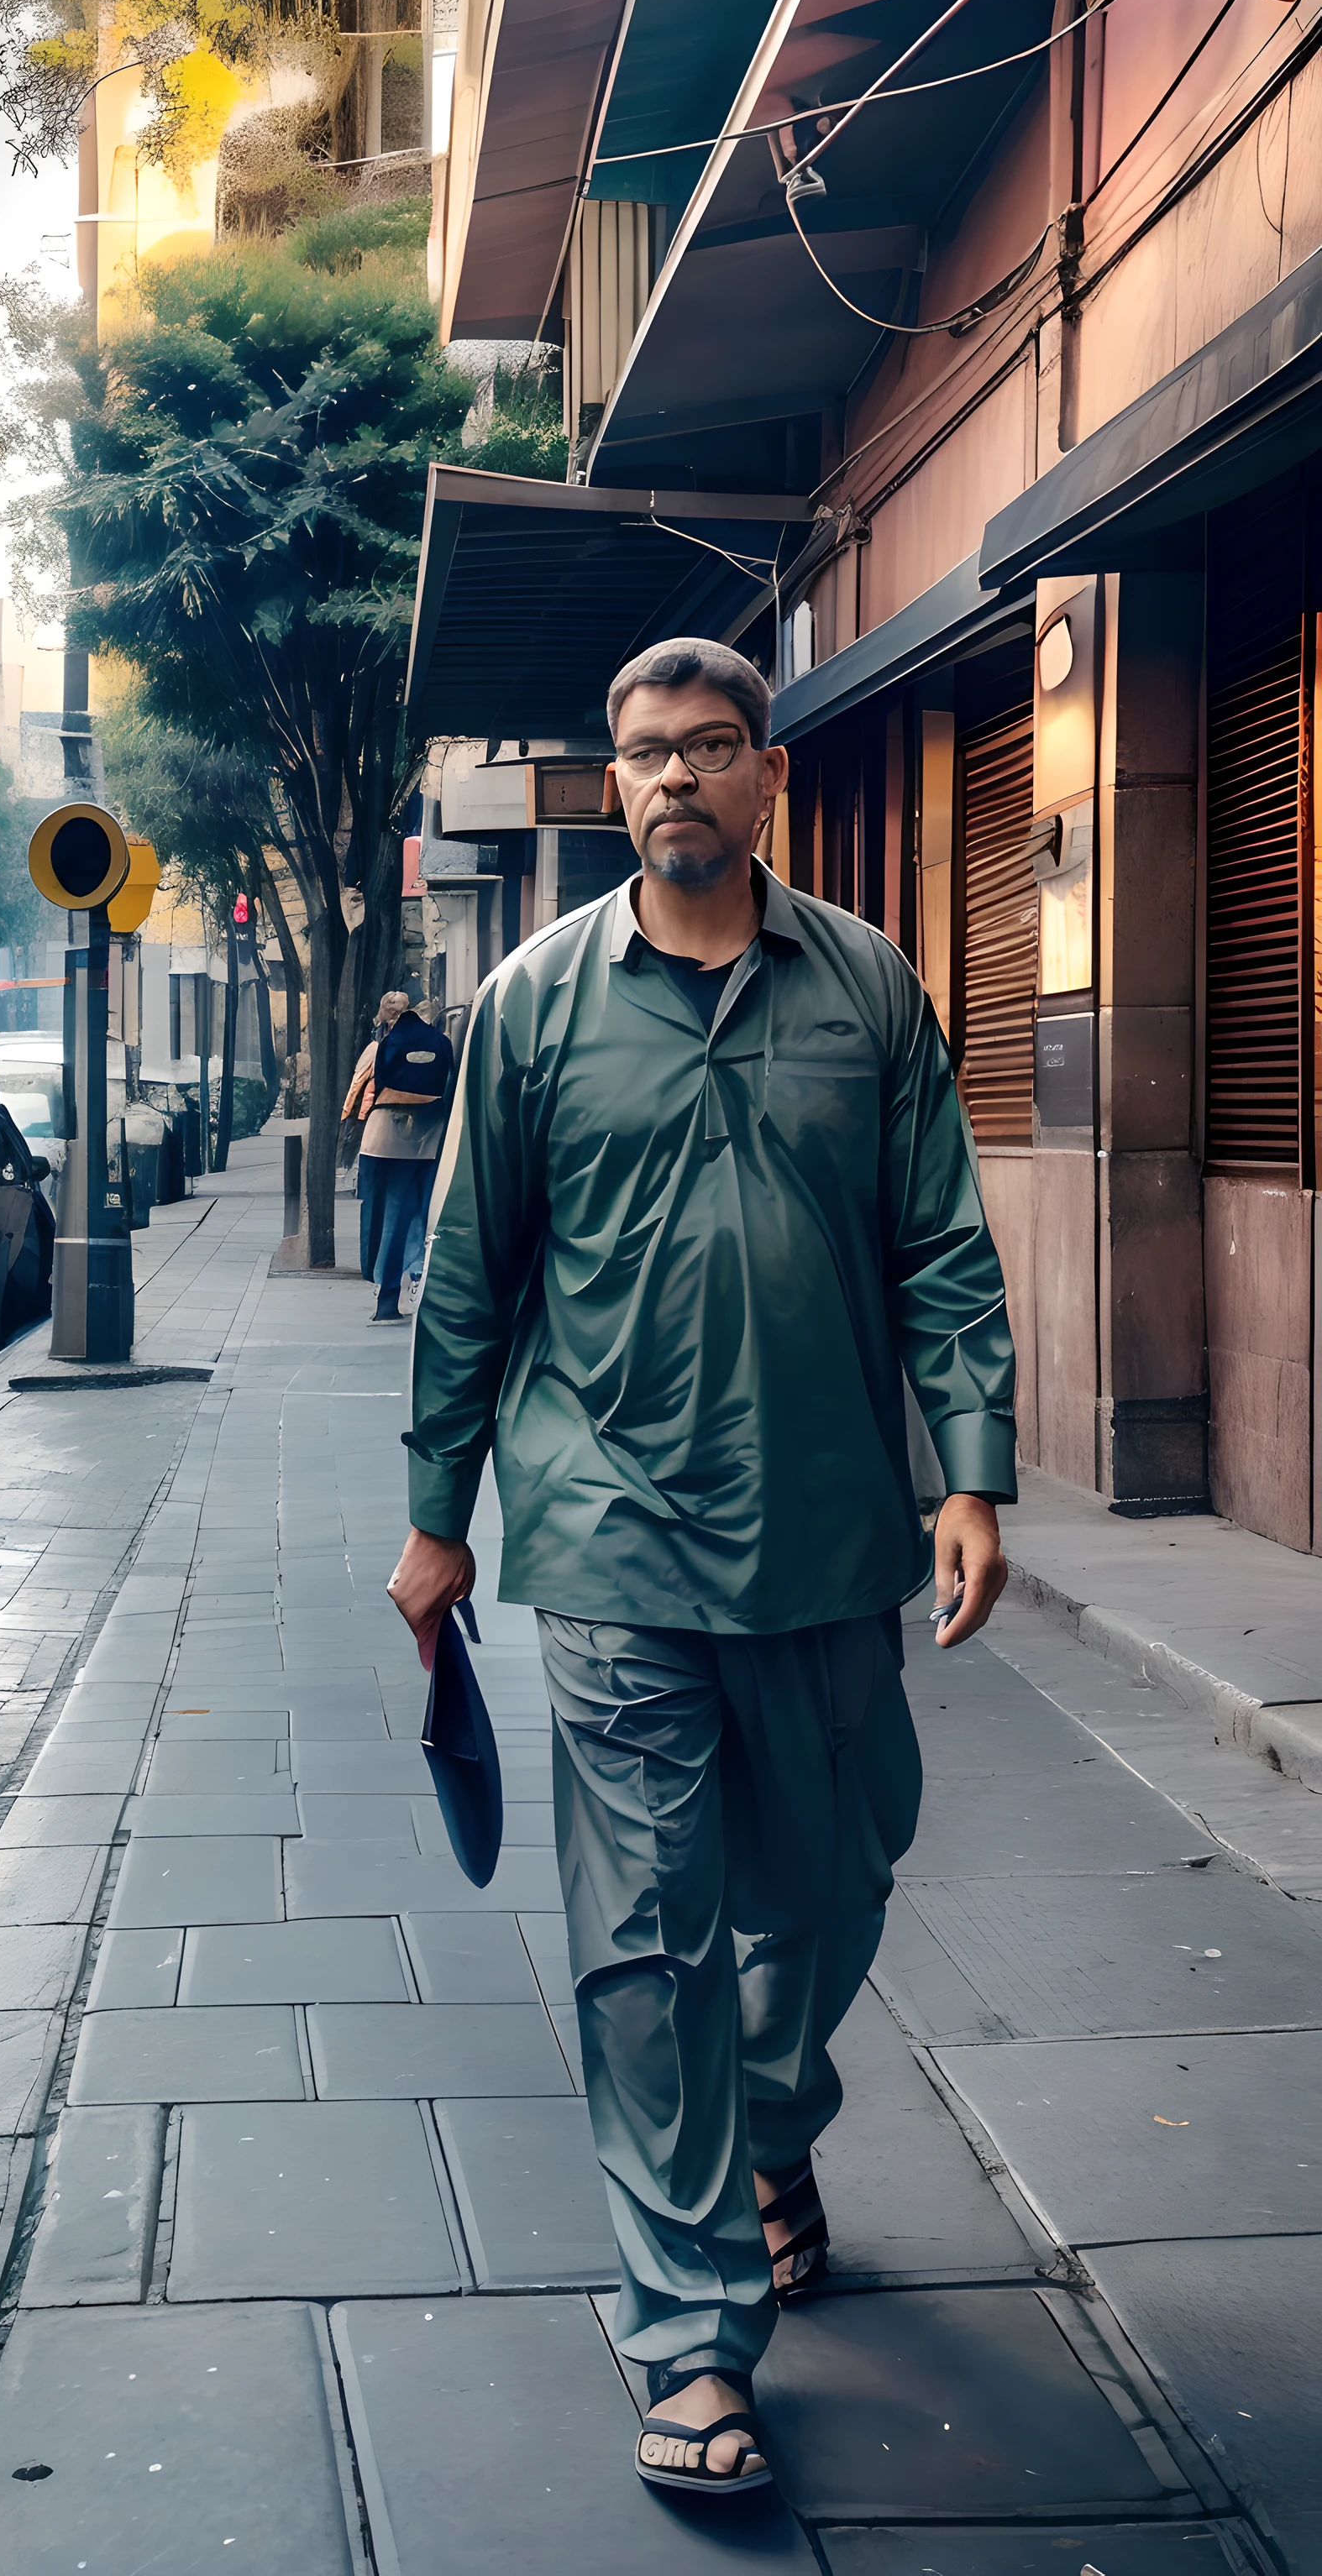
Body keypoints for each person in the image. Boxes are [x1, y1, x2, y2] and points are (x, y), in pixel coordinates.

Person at [387, 637, 1014, 2499]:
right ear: (613, 779)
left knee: (834, 1884)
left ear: (766, 777)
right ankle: (692, 2339)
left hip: (829, 1533)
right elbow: (468, 1278)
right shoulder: (531, 1004)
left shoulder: (874, 991)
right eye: (645, 753)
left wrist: (968, 1473)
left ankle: (764, 2128)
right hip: (606, 1535)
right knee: (646, 1940)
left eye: (710, 749)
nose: (674, 779)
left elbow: (941, 1250)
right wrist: (438, 1519)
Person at [360, 1002, 454, 1324]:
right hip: (434, 1137)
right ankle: (419, 1285)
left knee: (392, 1217)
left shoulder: (388, 1043)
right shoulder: (442, 1043)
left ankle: (386, 1296)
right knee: (427, 1215)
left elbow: (380, 1082)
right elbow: (451, 1087)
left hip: (390, 1139)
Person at [343, 992, 411, 1285]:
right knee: (403, 1204)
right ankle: (398, 1269)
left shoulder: (376, 1047)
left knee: (372, 1202)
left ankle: (372, 1267)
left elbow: (356, 1094)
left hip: (376, 1131)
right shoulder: (420, 1043)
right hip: (414, 1136)